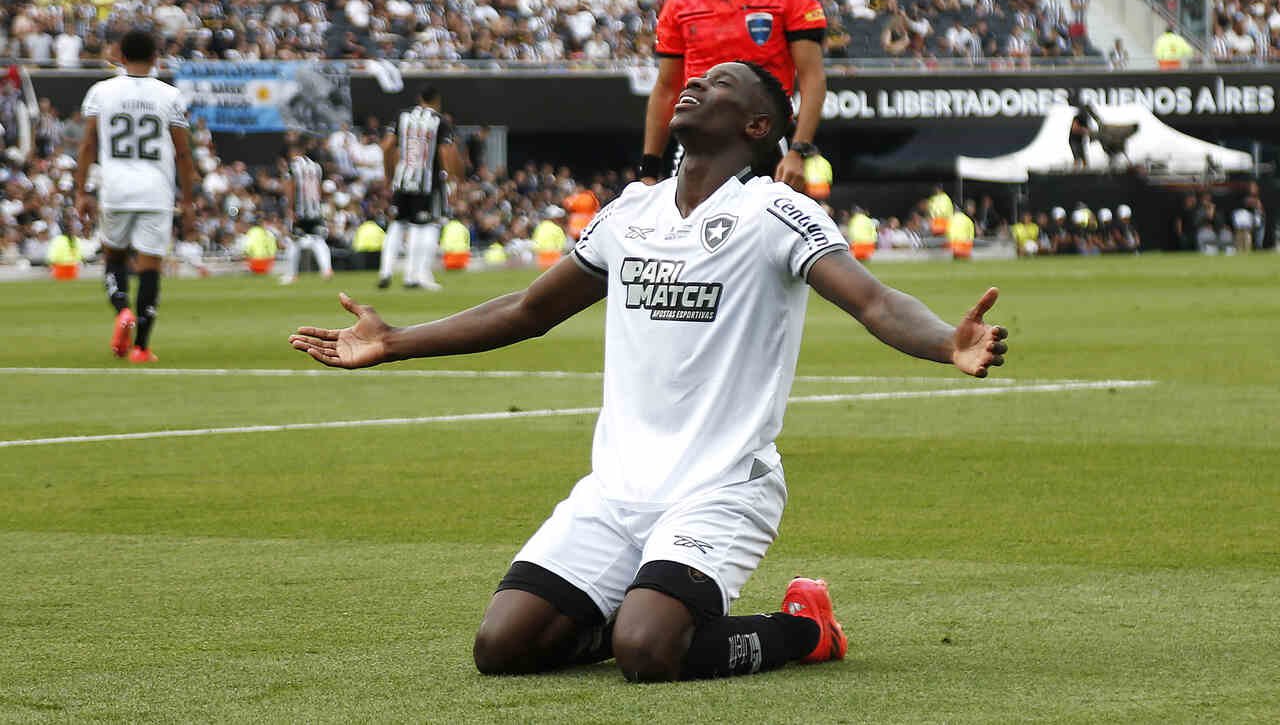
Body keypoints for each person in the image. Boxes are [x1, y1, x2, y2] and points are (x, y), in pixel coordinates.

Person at [289, 61, 1009, 684]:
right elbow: (528, 309)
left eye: (719, 83)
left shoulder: (773, 211)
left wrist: (947, 341)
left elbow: (874, 300)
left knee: (648, 650)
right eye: (694, 78)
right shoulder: (630, 212)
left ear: (759, 126)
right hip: (616, 489)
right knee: (502, 645)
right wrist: (396, 340)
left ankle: (804, 627)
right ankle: (635, 603)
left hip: (721, 487)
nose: (694, 83)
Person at [642, 0, 827, 192]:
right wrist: (649, 168)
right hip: (697, 140)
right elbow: (665, 89)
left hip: (764, 137)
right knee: (687, 236)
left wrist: (799, 150)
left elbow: (813, 78)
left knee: (766, 238)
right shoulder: (680, 2)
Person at [74, 28, 195, 363]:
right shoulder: (169, 96)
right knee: (150, 268)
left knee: (113, 258)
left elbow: (88, 144)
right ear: (156, 58)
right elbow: (183, 153)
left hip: (115, 188)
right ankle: (141, 347)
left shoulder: (101, 92)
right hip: (156, 191)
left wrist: (81, 191)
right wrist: (187, 201)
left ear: (120, 56)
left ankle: (122, 309)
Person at [377, 87, 463, 290]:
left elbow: (387, 146)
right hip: (427, 183)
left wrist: (388, 174)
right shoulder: (439, 121)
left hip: (402, 179)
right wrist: (451, 178)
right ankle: (413, 275)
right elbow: (445, 152)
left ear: (419, 98)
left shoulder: (402, 115)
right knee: (424, 226)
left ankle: (386, 271)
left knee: (397, 225)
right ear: (437, 100)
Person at [278, 144, 333, 284]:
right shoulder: (316, 167)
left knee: (294, 242)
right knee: (319, 240)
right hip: (315, 210)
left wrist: (290, 209)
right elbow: (320, 189)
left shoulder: (293, 166)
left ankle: (292, 274)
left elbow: (291, 187)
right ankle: (326, 270)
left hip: (300, 211)